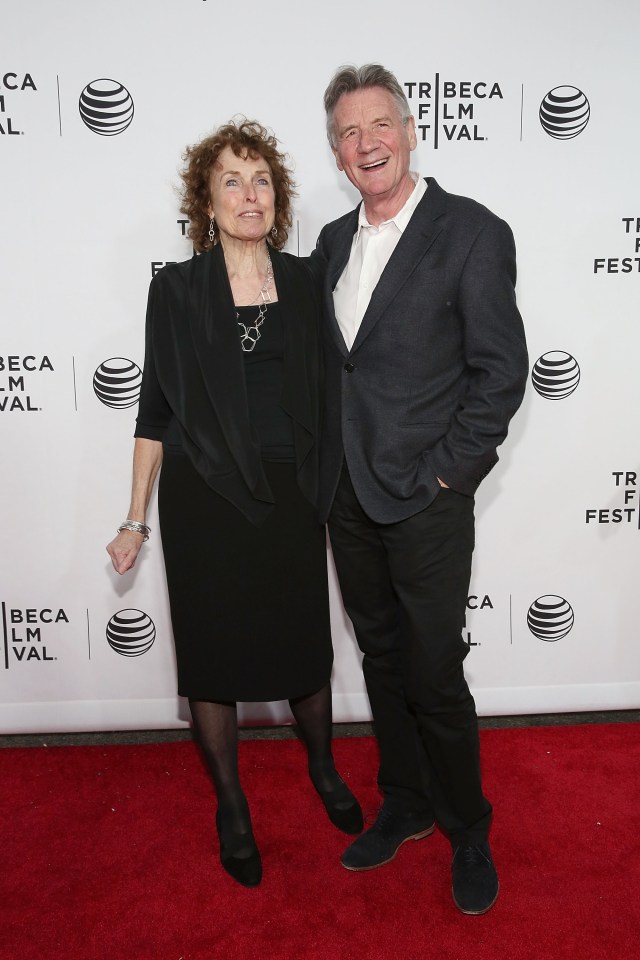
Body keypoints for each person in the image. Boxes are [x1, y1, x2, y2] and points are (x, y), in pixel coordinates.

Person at [107, 119, 363, 889]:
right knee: (213, 657)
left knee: (302, 645)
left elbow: (338, 392)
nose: (249, 195)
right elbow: (154, 408)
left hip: (291, 493)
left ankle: (322, 766)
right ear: (206, 199)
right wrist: (133, 518)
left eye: (261, 180)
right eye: (232, 180)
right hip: (204, 494)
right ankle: (231, 803)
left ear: (276, 196)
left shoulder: (310, 279)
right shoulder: (177, 291)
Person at [316, 65, 528, 915]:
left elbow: (500, 373)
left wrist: (448, 474)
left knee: (435, 669)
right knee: (381, 658)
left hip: (427, 498)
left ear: (409, 131)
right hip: (348, 497)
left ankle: (467, 826)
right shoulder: (331, 242)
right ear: (336, 151)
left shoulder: (471, 231)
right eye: (346, 132)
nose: (365, 144)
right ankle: (403, 803)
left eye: (378, 126)